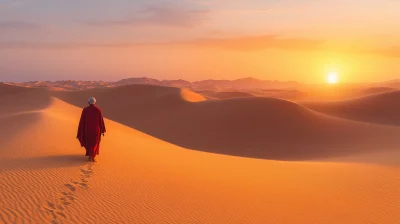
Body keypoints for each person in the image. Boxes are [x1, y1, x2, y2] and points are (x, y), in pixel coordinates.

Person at [77, 97, 106, 162]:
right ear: (95, 102)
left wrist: (81, 130)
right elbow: (101, 120)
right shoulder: (98, 110)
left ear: (88, 102)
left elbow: (82, 121)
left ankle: (90, 156)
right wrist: (103, 130)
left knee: (89, 143)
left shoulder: (85, 110)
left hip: (87, 130)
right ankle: (92, 157)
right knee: (95, 143)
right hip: (96, 130)